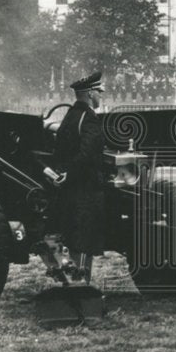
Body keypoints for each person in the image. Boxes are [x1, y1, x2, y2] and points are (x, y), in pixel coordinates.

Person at [52, 71, 107, 283]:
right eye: (99, 93)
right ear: (91, 93)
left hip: (70, 188)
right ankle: (82, 286)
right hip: (87, 187)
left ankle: (74, 281)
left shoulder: (70, 116)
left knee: (74, 239)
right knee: (86, 239)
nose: (100, 97)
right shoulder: (89, 118)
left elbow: (60, 152)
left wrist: (65, 172)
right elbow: (87, 154)